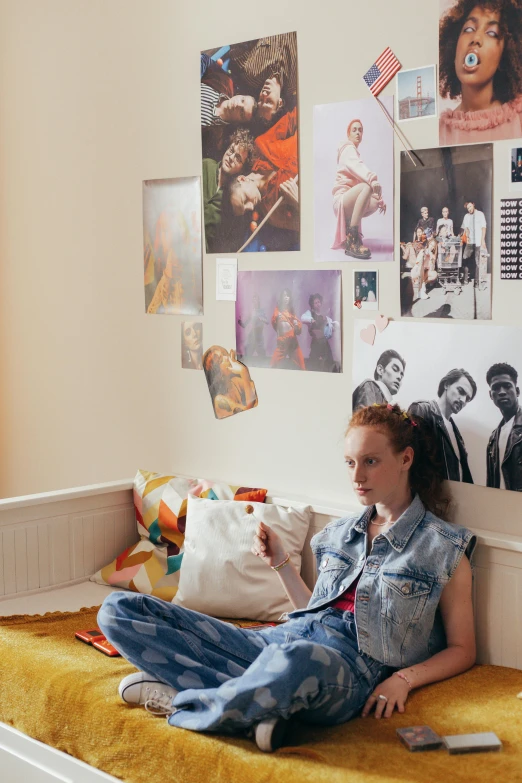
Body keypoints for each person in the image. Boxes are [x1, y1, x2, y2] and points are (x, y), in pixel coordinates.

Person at [97, 403, 476, 753]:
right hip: (282, 641)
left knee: (297, 660)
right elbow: (310, 612)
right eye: (349, 463)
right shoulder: (337, 535)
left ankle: (183, 704)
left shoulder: (443, 548)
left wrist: (404, 680)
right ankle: (256, 710)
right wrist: (280, 563)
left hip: (347, 669)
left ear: (405, 459)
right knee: (118, 610)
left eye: (371, 462)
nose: (357, 476)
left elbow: (463, 649)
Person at [439, 0, 522, 145]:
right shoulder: (441, 131)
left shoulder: (518, 118)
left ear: (506, 53)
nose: (475, 39)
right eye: (469, 29)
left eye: (492, 33)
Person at [228, 107, 299, 234]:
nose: (250, 207)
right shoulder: (272, 215)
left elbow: (292, 119)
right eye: (245, 210)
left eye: (244, 200)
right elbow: (309, 228)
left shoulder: (261, 146)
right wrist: (298, 203)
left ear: (242, 179)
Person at [408, 368, 477, 483]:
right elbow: (412, 462)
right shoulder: (422, 410)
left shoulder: (456, 434)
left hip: (453, 497)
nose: (463, 400)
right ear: (447, 384)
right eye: (461, 391)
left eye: (468, 398)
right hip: (431, 496)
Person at [331, 119, 386, 260]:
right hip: (341, 200)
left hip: (349, 200)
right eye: (354, 130)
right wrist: (372, 179)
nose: (358, 133)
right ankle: (352, 241)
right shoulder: (347, 149)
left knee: (374, 202)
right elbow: (358, 167)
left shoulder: (353, 151)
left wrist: (379, 198)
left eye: (360, 130)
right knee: (367, 187)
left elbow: (360, 179)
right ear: (348, 134)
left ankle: (351, 230)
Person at [202, 129, 256, 252]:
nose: (231, 157)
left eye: (238, 158)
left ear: (242, 169)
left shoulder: (234, 201)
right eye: (231, 150)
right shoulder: (205, 166)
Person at [486, 363, 522, 491]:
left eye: (507, 386)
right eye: (496, 388)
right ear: (491, 395)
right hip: (502, 506)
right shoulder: (493, 438)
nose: (501, 392)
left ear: (517, 391)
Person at [201, 346, 257, 419]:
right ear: (218, 374)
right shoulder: (219, 400)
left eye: (224, 354)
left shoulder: (234, 381)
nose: (227, 357)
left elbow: (256, 392)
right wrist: (244, 372)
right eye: (220, 360)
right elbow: (248, 410)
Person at [300, 293, 339, 372]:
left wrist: (335, 325)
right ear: (312, 304)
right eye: (316, 303)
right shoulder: (310, 313)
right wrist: (311, 320)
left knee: (329, 361)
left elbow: (331, 327)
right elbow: (302, 318)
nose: (318, 304)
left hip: (324, 342)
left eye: (319, 302)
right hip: (316, 343)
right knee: (313, 363)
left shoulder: (324, 317)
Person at [270, 288, 305, 370]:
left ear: (290, 298)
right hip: (283, 342)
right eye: (284, 296)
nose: (286, 298)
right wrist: (277, 318)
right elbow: (274, 323)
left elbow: (298, 327)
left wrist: (297, 324)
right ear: (281, 298)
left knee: (301, 364)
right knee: (273, 364)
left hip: (293, 341)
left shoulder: (291, 311)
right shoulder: (278, 310)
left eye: (288, 296)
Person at [460, 201, 487, 288]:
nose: (469, 209)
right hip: (469, 241)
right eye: (468, 208)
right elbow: (464, 227)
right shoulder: (466, 216)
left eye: (470, 207)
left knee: (477, 262)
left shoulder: (480, 214)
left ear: (473, 205)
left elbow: (483, 227)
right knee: (465, 259)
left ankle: (476, 282)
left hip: (478, 242)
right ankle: (465, 279)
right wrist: (461, 236)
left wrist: (482, 240)